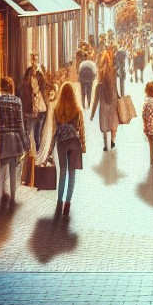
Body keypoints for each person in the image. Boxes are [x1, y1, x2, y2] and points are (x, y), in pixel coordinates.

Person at [0, 76, 29, 204]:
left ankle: (2, 193)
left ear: (1, 87)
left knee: (2, 167)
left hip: (2, 137)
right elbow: (21, 123)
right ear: (11, 87)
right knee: (14, 167)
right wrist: (24, 141)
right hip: (15, 138)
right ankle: (13, 196)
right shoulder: (17, 101)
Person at [52, 82, 86, 216]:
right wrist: (83, 146)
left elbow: (54, 129)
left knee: (62, 173)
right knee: (72, 175)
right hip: (74, 143)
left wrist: (50, 149)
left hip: (61, 143)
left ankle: (59, 202)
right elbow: (81, 129)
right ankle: (67, 204)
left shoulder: (56, 110)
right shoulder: (77, 110)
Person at [90, 53, 120, 151]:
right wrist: (118, 96)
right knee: (113, 122)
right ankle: (112, 140)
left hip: (102, 99)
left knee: (104, 122)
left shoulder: (100, 72)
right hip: (112, 100)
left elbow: (95, 101)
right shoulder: (113, 71)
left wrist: (92, 114)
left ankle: (105, 145)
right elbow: (115, 86)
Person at [20, 56, 48, 151]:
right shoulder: (27, 84)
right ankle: (31, 152)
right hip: (32, 109)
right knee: (31, 132)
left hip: (39, 108)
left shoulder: (38, 77)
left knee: (35, 132)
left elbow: (43, 87)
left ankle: (34, 151)